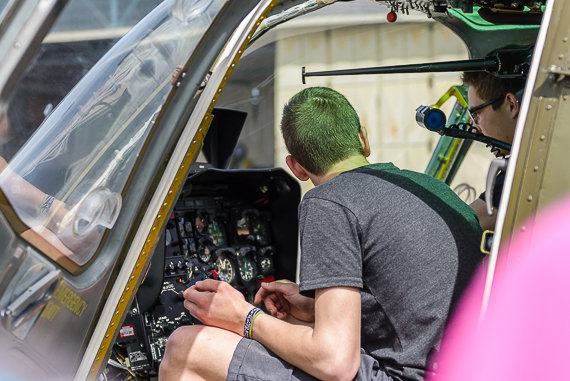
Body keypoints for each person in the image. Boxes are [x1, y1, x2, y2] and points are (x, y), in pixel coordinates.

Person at [159, 87, 484, 381]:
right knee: (289, 327)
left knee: (184, 348)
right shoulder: (434, 189)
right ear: (363, 139)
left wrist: (243, 316)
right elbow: (416, 315)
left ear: (296, 168)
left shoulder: (328, 201)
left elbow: (334, 362)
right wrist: (314, 308)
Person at [461, 71, 525, 231]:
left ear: (511, 104)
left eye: (477, 115)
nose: (475, 129)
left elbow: (460, 228)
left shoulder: (520, 172)